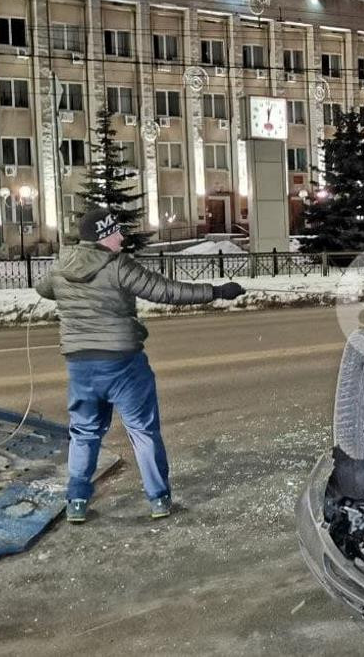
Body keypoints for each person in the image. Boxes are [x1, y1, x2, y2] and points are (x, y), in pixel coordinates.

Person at [35, 208, 244, 523]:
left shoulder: (61, 266)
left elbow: (43, 289)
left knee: (84, 431)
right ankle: (159, 499)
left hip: (80, 365)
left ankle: (76, 500)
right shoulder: (118, 266)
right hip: (123, 364)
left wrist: (75, 295)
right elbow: (166, 291)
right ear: (104, 236)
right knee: (143, 431)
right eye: (116, 232)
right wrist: (216, 292)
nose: (121, 237)